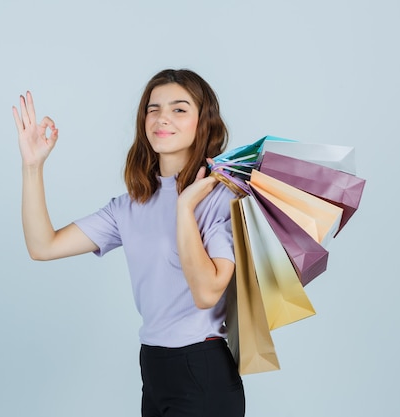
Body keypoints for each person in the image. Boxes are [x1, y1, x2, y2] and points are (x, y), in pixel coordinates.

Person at [13, 69, 245, 417]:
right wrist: (32, 167)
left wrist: (184, 207)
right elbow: (42, 246)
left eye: (179, 109)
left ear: (204, 122)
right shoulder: (130, 206)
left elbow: (207, 293)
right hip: (153, 366)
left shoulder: (218, 199)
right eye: (153, 109)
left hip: (201, 368)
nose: (162, 117)